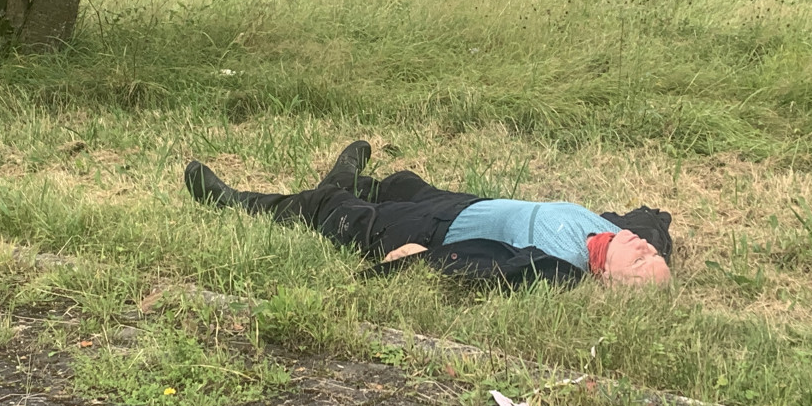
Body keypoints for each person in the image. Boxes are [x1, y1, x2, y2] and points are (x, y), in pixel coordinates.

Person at [184, 142, 672, 287]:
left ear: (608, 282)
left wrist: (416, 262)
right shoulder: (621, 234)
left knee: (333, 211)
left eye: (640, 261)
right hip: (468, 204)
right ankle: (348, 179)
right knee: (400, 183)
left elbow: (485, 267)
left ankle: (236, 202)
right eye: (652, 254)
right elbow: (656, 221)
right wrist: (654, 233)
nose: (645, 248)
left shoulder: (558, 268)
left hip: (433, 232)